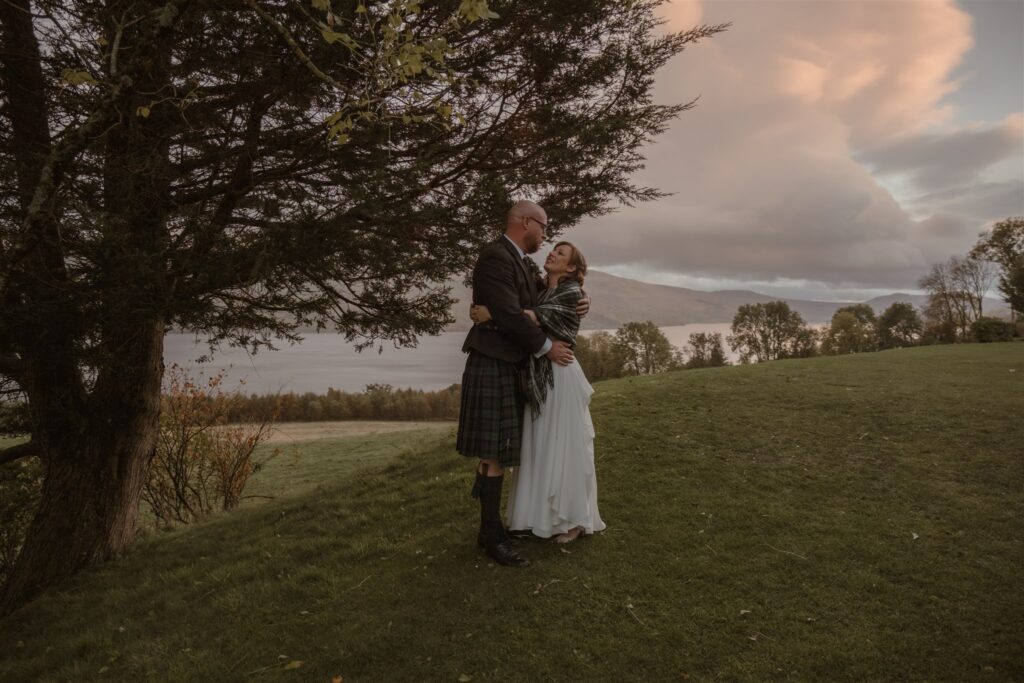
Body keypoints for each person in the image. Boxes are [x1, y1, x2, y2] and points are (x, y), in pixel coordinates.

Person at [456, 200, 574, 568]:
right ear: (526, 222)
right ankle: (491, 537)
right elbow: (510, 313)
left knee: (499, 451)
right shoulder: (495, 257)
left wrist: (577, 298)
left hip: (508, 364)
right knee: (493, 453)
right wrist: (546, 348)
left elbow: (540, 301)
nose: (545, 234)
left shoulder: (520, 262)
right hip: (492, 361)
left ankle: (490, 529)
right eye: (544, 226)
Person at [471, 242, 605, 544]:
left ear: (571, 268)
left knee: (567, 446)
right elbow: (523, 306)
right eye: (553, 250)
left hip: (561, 372)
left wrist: (491, 312)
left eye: (560, 254)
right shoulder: (542, 288)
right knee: (540, 448)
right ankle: (537, 519)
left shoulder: (569, 293)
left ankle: (573, 520)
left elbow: (531, 316)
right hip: (541, 373)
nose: (552, 254)